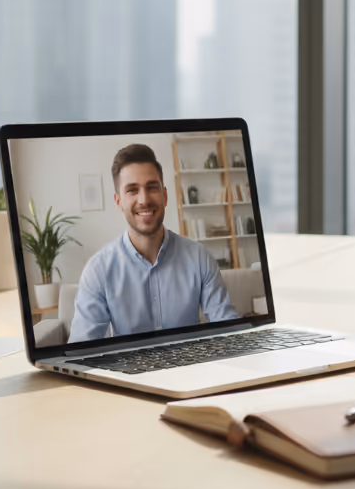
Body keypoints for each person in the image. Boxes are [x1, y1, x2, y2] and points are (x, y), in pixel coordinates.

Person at [69, 143, 237, 343]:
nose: (144, 200)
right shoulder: (98, 270)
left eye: (152, 188)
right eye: (132, 190)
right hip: (129, 372)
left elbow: (229, 330)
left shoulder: (199, 257)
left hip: (192, 370)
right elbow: (81, 350)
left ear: (165, 196)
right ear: (118, 203)